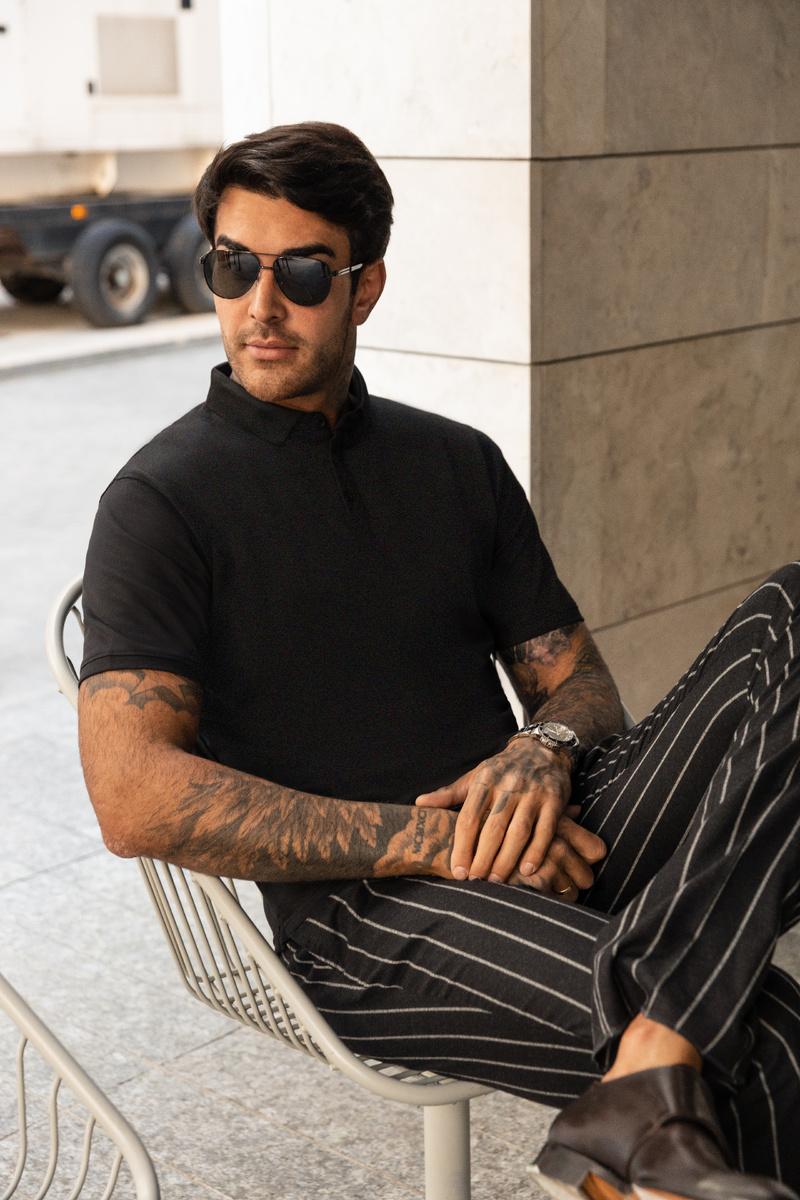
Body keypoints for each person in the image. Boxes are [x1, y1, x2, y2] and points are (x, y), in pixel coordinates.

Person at [77, 121, 800, 1200]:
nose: (260, 307)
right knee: (767, 1039)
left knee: (791, 610)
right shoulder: (160, 503)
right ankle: (651, 1080)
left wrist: (541, 749)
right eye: (232, 267)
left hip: (546, 834)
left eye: (301, 273)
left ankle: (647, 1067)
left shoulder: (455, 461)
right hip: (361, 912)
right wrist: (439, 842)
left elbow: (580, 686)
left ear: (363, 288)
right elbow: (132, 796)